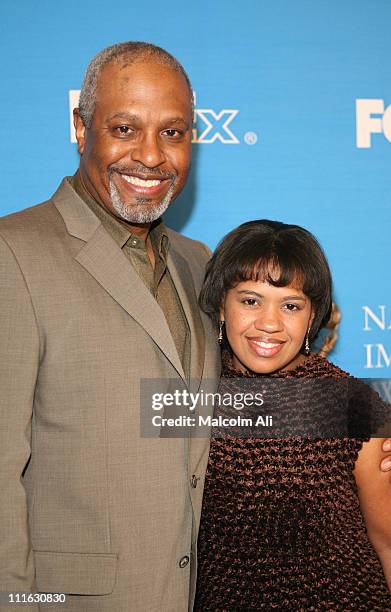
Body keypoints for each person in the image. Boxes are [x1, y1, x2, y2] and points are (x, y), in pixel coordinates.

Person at [0, 42, 220, 611]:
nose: (150, 156)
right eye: (125, 128)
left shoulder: (200, 263)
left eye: (173, 133)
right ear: (80, 128)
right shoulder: (13, 253)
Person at [194, 220, 391, 610]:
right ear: (221, 305)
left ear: (312, 314)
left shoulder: (350, 404)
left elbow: (388, 540)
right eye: (250, 300)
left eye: (290, 305)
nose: (269, 323)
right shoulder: (189, 396)